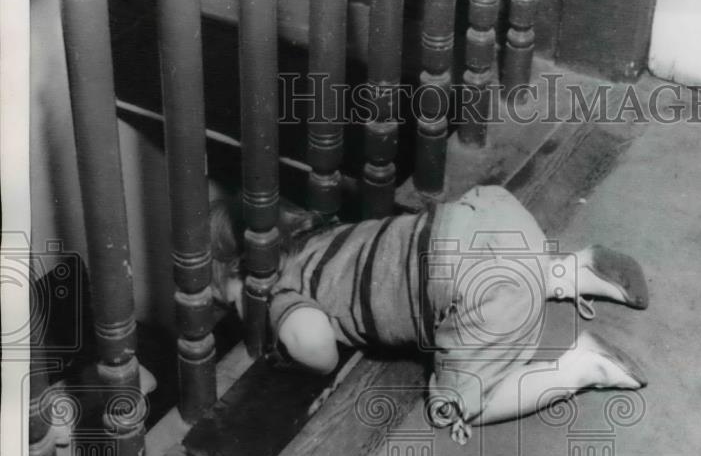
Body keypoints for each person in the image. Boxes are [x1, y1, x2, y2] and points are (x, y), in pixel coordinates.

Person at [211, 185, 649, 443]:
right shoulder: (325, 237)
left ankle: (580, 367)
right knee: (516, 266)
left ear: (243, 271)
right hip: (485, 217)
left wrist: (290, 351)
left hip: (472, 288)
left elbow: (314, 343)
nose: (235, 313)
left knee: (464, 404)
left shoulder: (285, 291)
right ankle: (575, 272)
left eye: (227, 301)